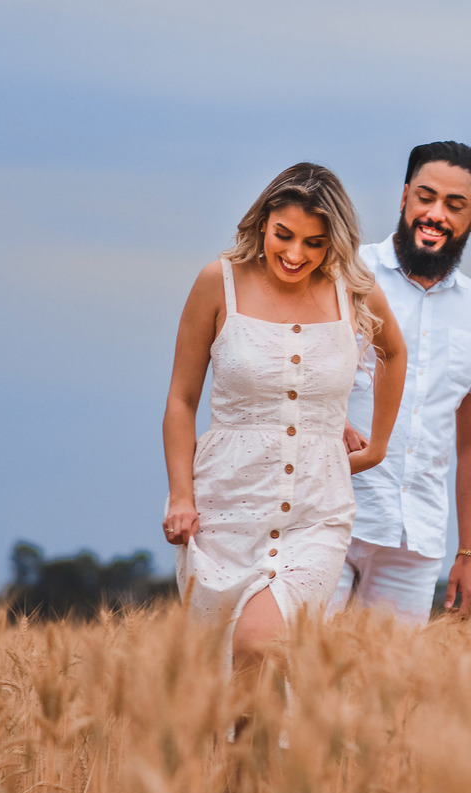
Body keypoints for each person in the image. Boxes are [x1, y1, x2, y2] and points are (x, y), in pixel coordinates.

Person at [162, 163, 406, 682]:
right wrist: (181, 495)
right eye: (284, 236)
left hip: (318, 507)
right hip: (226, 504)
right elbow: (182, 399)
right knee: (223, 670)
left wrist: (377, 445)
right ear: (262, 222)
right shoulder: (217, 283)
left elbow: (394, 351)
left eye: (315, 244)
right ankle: (246, 764)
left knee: (260, 643)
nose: (296, 255)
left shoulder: (352, 291)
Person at [331, 141, 471, 624]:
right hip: (327, 514)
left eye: (454, 205)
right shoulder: (344, 271)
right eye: (426, 197)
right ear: (404, 196)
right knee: (295, 673)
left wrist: (469, 552)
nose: (436, 214)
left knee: (386, 692)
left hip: (415, 539)